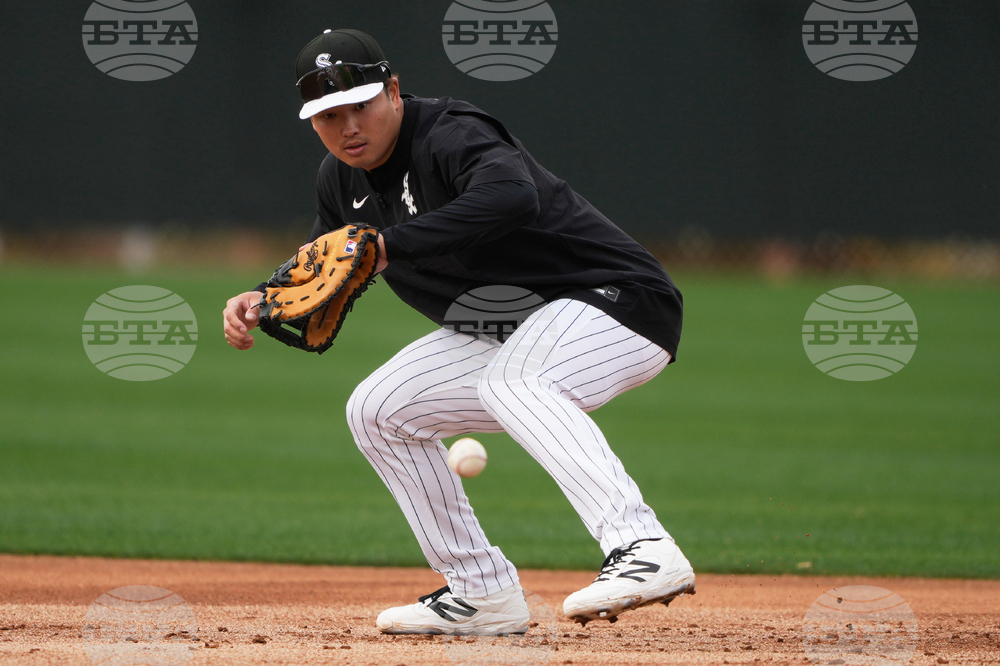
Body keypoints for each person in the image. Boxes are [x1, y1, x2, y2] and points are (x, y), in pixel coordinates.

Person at [223, 28, 695, 635]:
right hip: (509, 327)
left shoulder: (450, 132)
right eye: (328, 116)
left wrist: (390, 247)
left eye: (360, 106)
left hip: (618, 302)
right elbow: (328, 262)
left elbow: (511, 197)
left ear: (393, 91)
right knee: (378, 409)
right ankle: (482, 593)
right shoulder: (339, 181)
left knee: (516, 381)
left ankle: (642, 546)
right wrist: (264, 300)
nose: (347, 128)